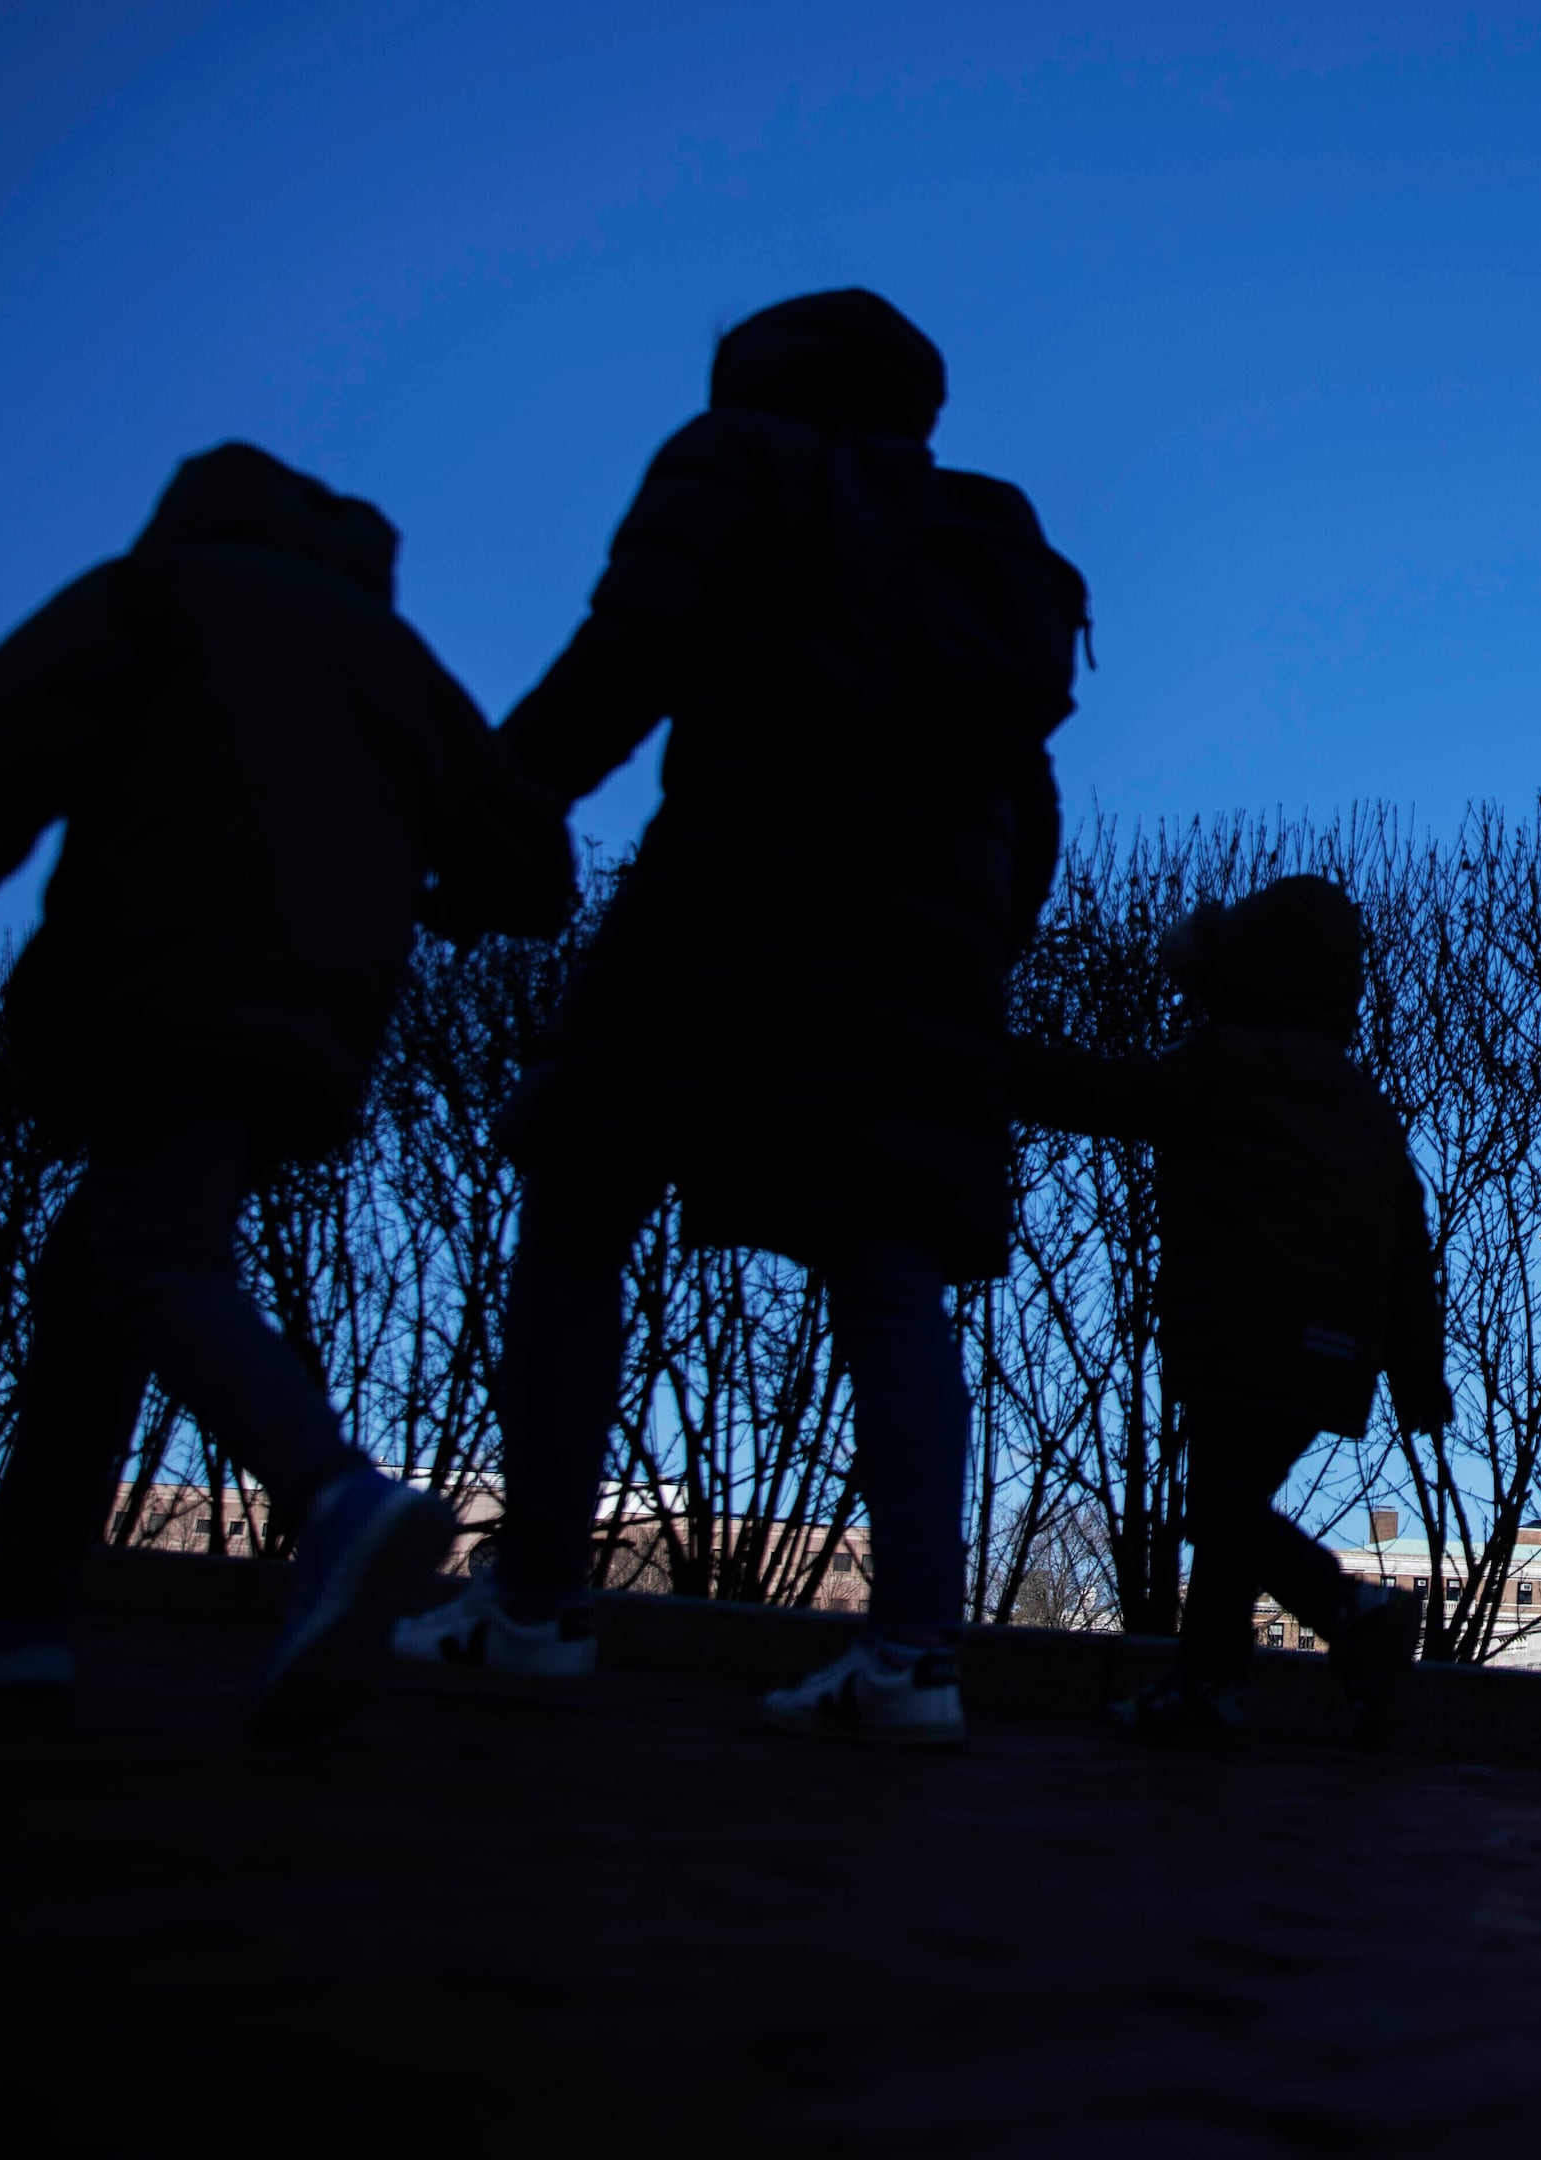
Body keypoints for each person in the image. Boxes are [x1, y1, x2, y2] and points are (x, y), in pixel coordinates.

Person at [393, 289, 1087, 1747]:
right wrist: (954, 952)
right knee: (890, 1274)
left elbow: (626, 653)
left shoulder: (742, 460)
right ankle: (917, 1659)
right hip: (923, 965)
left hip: (728, 903)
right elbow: (1026, 802)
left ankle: (533, 1606)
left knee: (581, 1206)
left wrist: (488, 822)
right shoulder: (984, 549)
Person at [0, 442, 574, 1741]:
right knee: (97, 1269)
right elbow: (532, 859)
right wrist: (457, 895)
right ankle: (15, 1611)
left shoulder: (157, 596)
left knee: (144, 1253)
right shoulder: (397, 662)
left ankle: (329, 1493)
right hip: (317, 1021)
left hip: (156, 976)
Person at [1003, 875, 1451, 1744]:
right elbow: (1407, 1242)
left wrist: (1000, 1061)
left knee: (1219, 1507)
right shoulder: (1363, 1102)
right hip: (1330, 1350)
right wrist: (1414, 1367)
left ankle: (1351, 1612)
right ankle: (1208, 1681)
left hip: (1243, 1332)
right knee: (1231, 1504)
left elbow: (1113, 1096)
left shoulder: (1224, 1060)